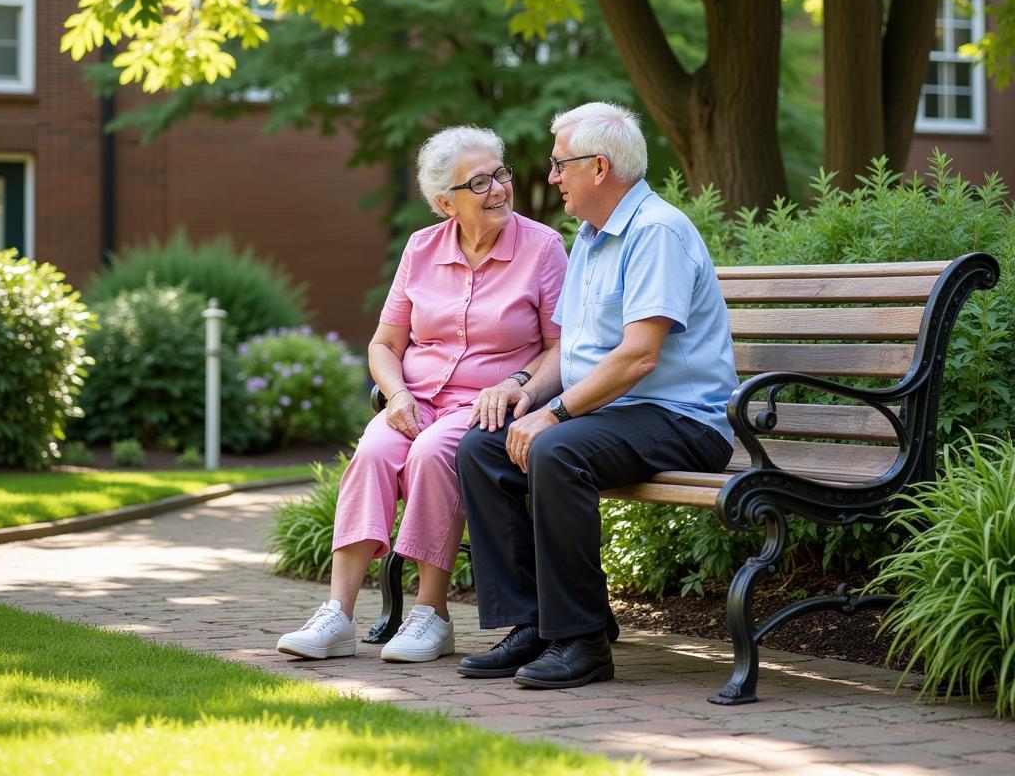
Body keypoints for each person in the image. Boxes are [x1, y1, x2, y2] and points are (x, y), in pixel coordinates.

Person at [455, 102, 737, 688]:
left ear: (599, 167)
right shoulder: (589, 237)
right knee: (481, 445)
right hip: (617, 415)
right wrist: (524, 392)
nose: (552, 177)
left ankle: (582, 641)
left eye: (561, 165)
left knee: (558, 451)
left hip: (683, 420)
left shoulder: (656, 231)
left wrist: (554, 414)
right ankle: (530, 624)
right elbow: (575, 354)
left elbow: (640, 355)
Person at [277, 126, 567, 664]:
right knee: (372, 454)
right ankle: (337, 615)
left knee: (436, 454)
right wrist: (396, 395)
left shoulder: (543, 248)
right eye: (479, 182)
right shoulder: (421, 249)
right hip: (416, 400)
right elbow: (384, 344)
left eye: (500, 173)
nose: (500, 188)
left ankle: (431, 614)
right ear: (444, 203)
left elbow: (560, 349)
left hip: (487, 404)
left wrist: (516, 385)